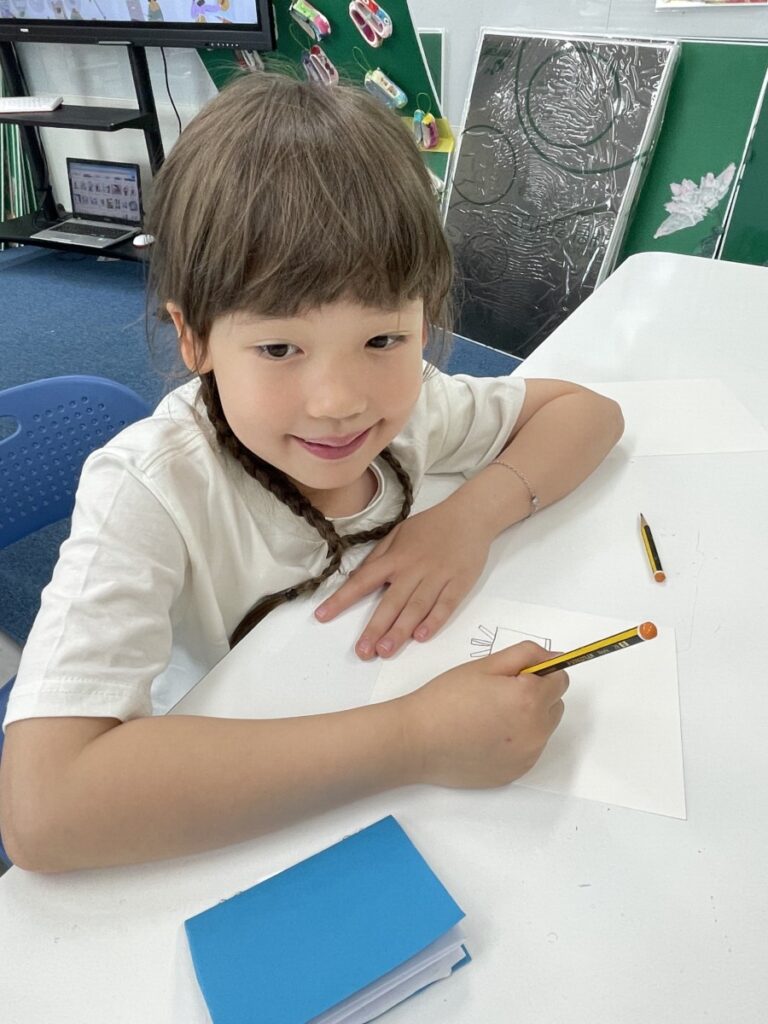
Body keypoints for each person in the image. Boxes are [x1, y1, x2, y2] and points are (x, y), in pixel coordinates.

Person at [0, 72, 623, 872]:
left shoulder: (417, 407)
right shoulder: (152, 489)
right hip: (218, 793)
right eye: (278, 347)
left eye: (383, 339)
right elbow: (44, 812)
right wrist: (415, 738)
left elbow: (587, 412)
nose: (340, 403)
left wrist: (469, 518)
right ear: (194, 338)